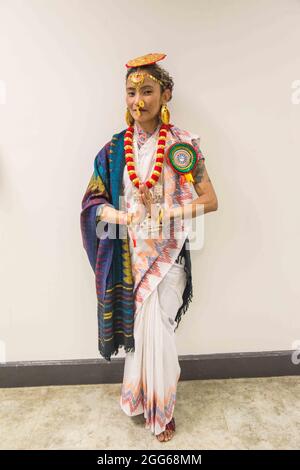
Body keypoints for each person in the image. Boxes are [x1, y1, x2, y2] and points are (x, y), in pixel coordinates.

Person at [80, 52, 218, 443]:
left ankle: (163, 408)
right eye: (130, 92)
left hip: (169, 255)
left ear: (165, 94)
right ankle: (139, 399)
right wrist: (125, 218)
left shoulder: (182, 145)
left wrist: (171, 212)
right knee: (141, 333)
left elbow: (210, 199)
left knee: (161, 330)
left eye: (147, 91)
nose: (138, 100)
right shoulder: (113, 150)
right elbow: (92, 203)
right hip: (130, 258)